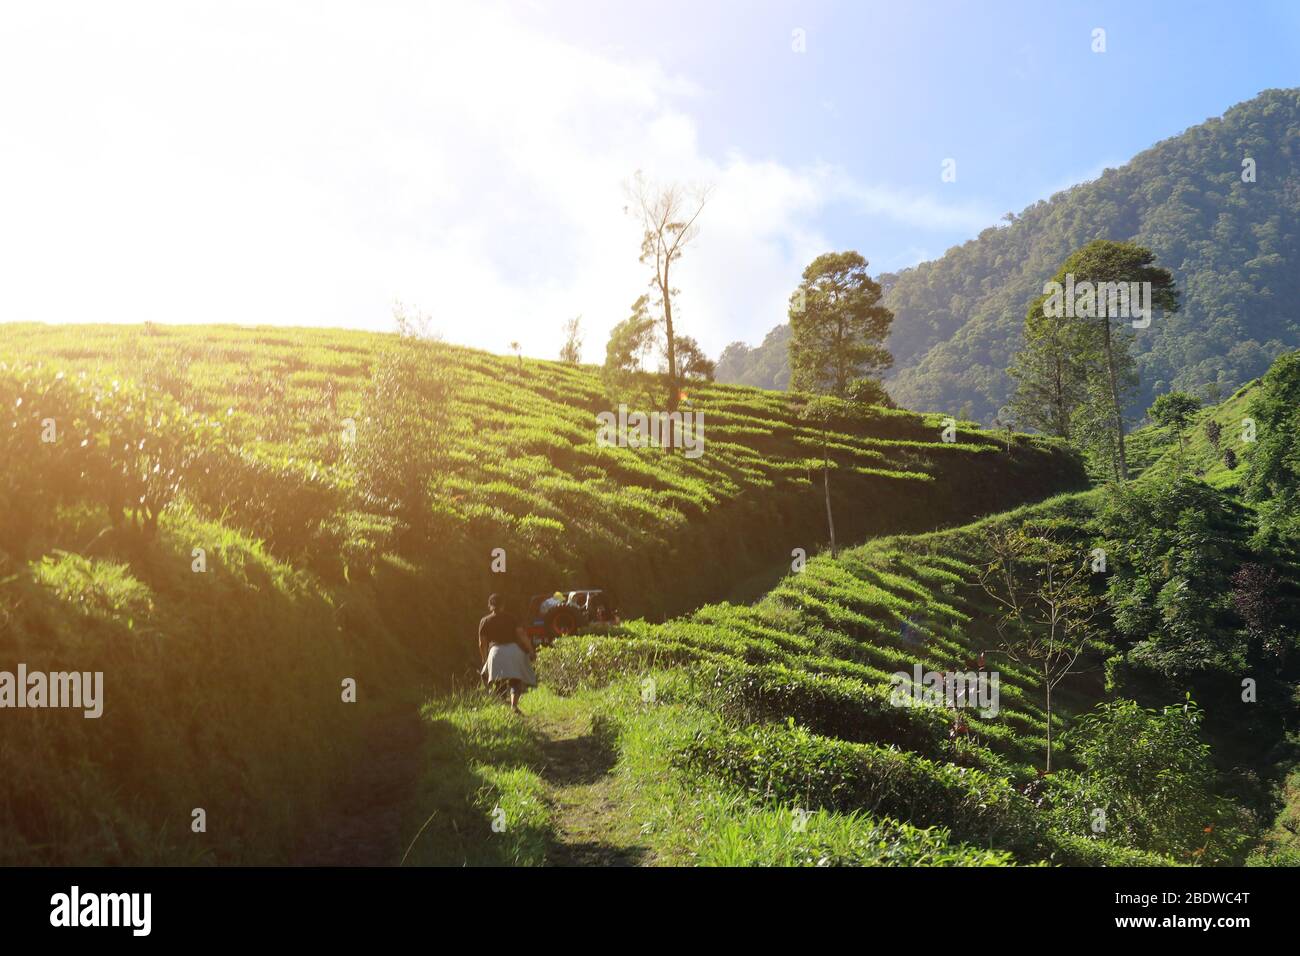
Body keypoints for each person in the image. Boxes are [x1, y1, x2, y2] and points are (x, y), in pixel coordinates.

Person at [478, 594, 536, 714]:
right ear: (503, 605)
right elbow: (522, 635)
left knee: (498, 682)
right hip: (513, 650)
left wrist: (484, 660)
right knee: (515, 680)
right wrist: (531, 650)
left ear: (490, 605)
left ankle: (503, 708)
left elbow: (481, 644)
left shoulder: (485, 620)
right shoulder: (512, 618)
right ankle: (513, 706)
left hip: (495, 652)